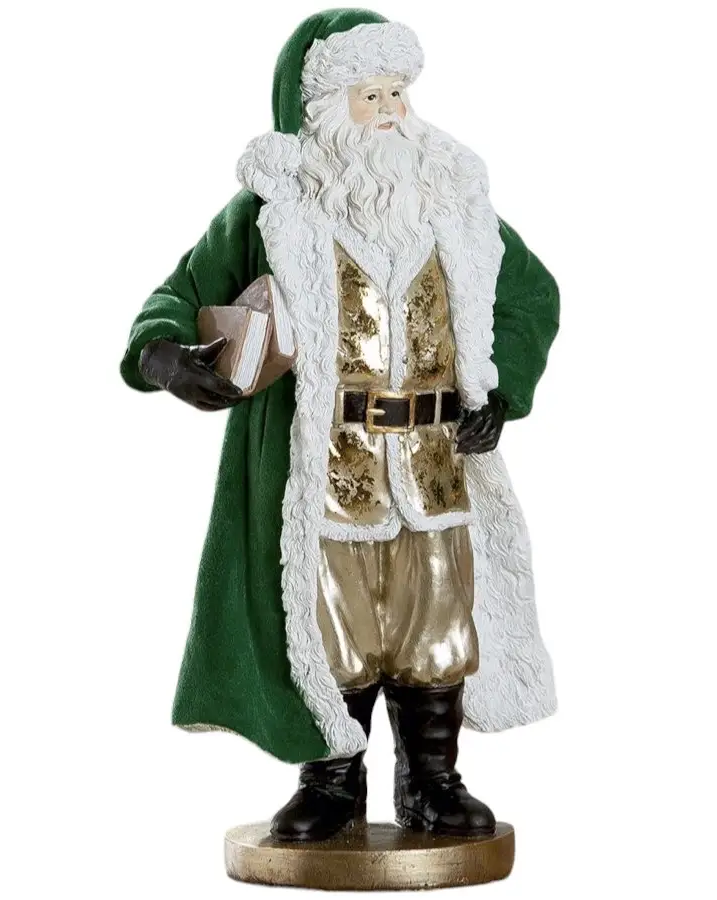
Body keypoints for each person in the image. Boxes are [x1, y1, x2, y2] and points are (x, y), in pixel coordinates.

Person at [121, 9, 559, 842]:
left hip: (434, 457)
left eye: (398, 92)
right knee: (332, 623)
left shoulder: (452, 202)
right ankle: (331, 782)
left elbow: (530, 295)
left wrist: (501, 389)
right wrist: (165, 355)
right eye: (370, 94)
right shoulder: (273, 212)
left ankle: (432, 780)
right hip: (324, 464)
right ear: (322, 106)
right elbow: (176, 295)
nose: (391, 110)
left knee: (436, 621)